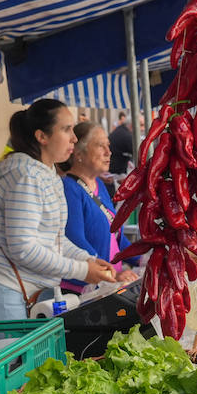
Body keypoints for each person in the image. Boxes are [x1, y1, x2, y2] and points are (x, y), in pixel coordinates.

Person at [0, 99, 114, 321]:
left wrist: (87, 259)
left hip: (32, 292)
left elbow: (54, 239)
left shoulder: (47, 174)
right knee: (15, 357)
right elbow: (24, 248)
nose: (74, 138)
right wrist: (82, 270)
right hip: (7, 292)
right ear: (42, 137)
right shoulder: (25, 177)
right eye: (66, 129)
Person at [60, 121, 139, 293]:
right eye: (100, 145)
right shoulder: (69, 189)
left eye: (108, 145)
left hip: (109, 284)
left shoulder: (99, 185)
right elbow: (76, 242)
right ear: (79, 153)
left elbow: (116, 237)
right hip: (82, 290)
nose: (108, 152)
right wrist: (111, 274)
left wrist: (142, 259)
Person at [108, 111, 134, 177]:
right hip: (115, 171)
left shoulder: (121, 129)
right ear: (132, 125)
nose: (142, 129)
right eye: (141, 125)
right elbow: (139, 152)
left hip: (113, 168)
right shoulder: (126, 135)